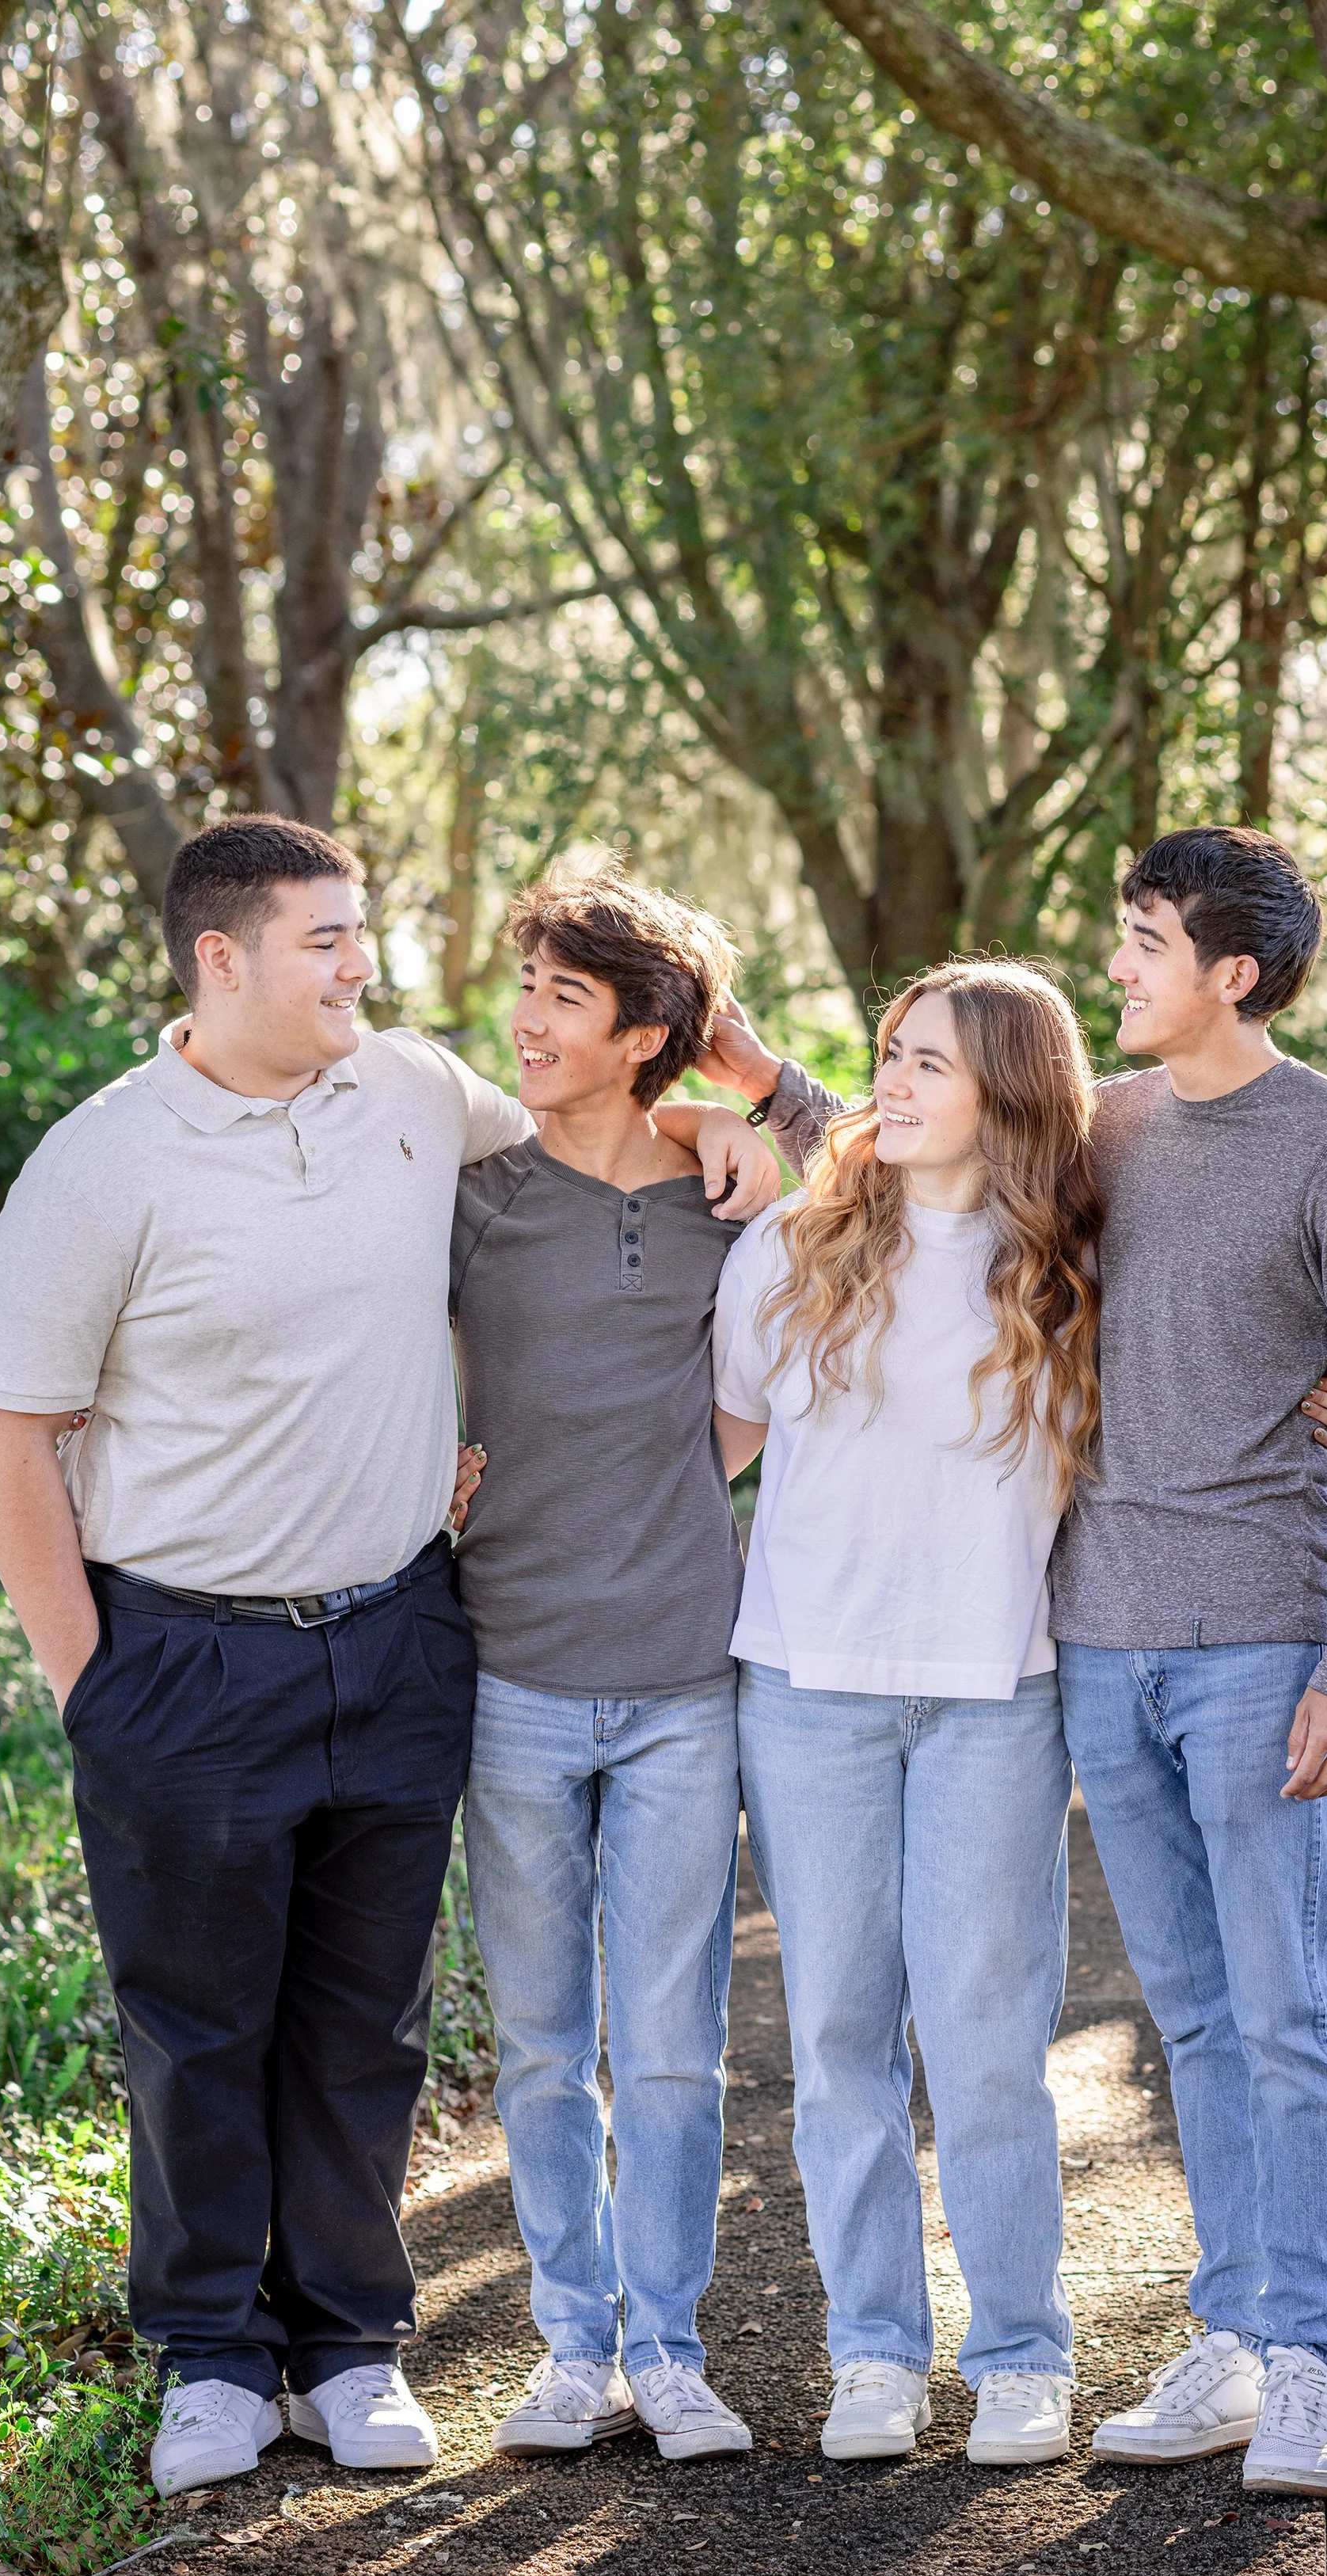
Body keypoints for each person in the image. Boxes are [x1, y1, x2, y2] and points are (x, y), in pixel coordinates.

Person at [0, 818, 774, 2498]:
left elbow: (593, 1137)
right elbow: (8, 1423)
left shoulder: (411, 1092)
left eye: (360, 936)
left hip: (404, 1632)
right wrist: (87, 1678)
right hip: (180, 1652)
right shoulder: (102, 1160)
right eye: (327, 940)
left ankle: (343, 2342)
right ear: (221, 959)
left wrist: (724, 1119)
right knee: (196, 2023)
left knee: (363, 2018)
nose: (362, 967)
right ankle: (206, 2353)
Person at [714, 828, 1327, 2498]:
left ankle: (1313, 2355)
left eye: (1146, 937)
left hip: (1261, 1630)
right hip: (1097, 1639)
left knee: (1283, 2009)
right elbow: (916, 1142)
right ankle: (1237, 2331)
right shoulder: (1104, 1130)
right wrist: (737, 1090)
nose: (1119, 963)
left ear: (1230, 972)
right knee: (1188, 2006)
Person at [709, 961, 1101, 2468]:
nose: (893, 1081)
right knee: (838, 2040)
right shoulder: (793, 1248)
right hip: (806, 1689)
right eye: (890, 1054)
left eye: (929, 1061)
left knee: (989, 2041)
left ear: (1006, 1087)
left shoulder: (1072, 1268)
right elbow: (713, 1447)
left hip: (996, 1690)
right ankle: (873, 2351)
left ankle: (1018, 2353)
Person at [450, 868, 775, 2464]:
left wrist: (745, 1105)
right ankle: (570, 2347)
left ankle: (671, 2344)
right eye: (524, 979)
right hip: (508, 1664)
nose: (523, 1014)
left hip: (679, 1676)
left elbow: (920, 1143)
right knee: (538, 2042)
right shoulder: (476, 1188)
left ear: (648, 1033)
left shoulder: (728, 1191)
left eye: (564, 994)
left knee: (670, 2040)